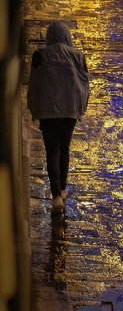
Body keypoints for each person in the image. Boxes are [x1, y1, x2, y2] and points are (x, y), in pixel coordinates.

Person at [27, 20, 90, 213]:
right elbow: (85, 84)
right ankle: (62, 189)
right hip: (69, 111)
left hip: (48, 112)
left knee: (52, 152)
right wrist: (80, 108)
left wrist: (33, 107)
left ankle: (56, 197)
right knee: (64, 149)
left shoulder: (40, 56)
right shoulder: (78, 56)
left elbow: (34, 84)